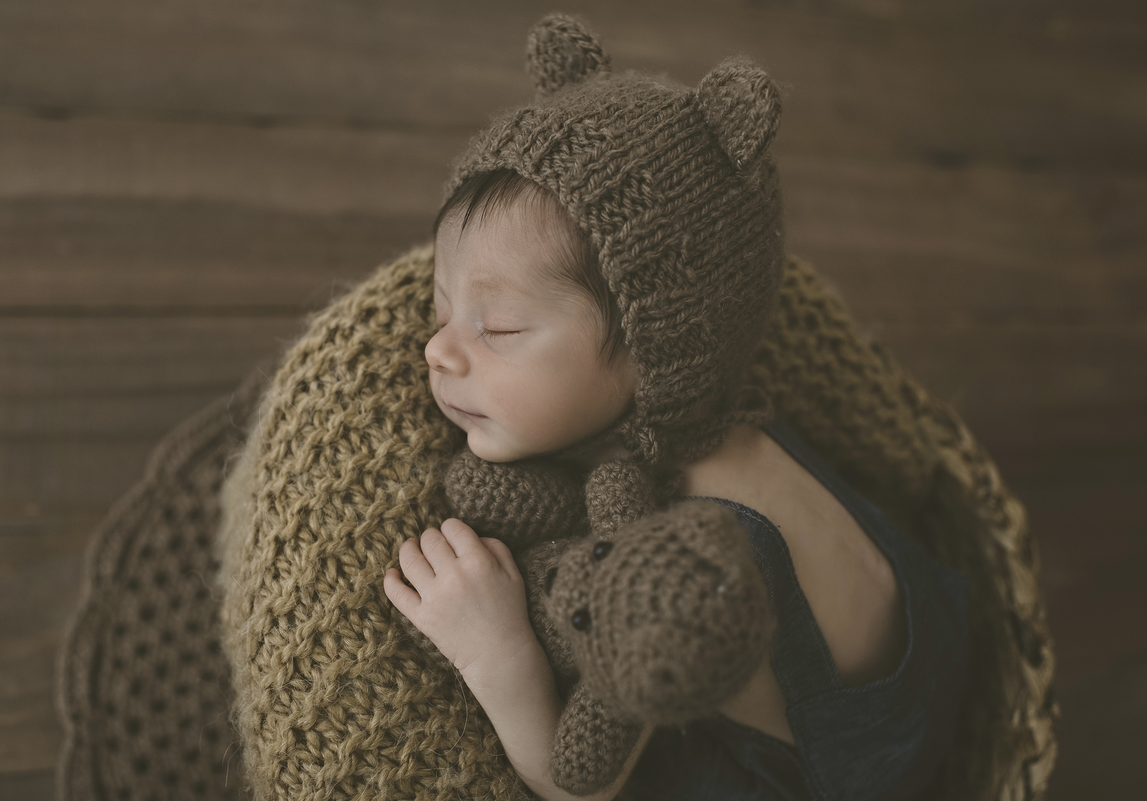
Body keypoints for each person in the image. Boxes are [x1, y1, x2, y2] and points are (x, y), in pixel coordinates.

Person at [383, 13, 969, 801]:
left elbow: (580, 786)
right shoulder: (708, 412)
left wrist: (497, 649)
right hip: (920, 639)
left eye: (500, 329)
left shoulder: (687, 549)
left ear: (653, 348)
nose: (437, 350)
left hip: (836, 773)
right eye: (442, 308)